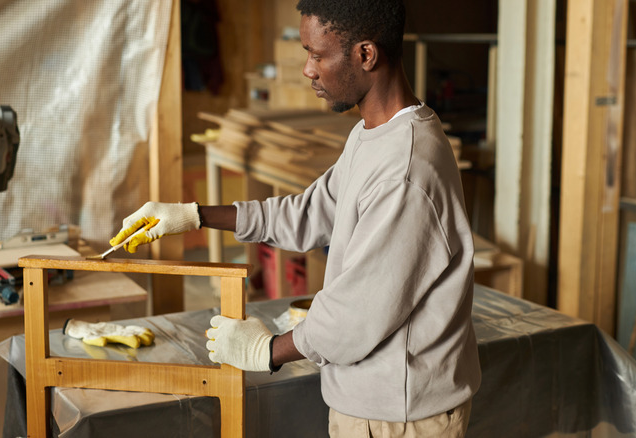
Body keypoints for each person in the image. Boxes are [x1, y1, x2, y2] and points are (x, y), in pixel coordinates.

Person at [111, 0, 481, 436]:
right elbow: (307, 213)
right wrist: (192, 216)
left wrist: (266, 350)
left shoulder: (406, 168)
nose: (308, 69)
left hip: (400, 416)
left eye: (317, 54)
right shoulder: (372, 134)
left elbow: (354, 316)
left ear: (366, 55)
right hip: (372, 404)